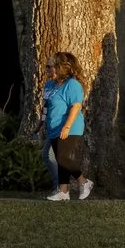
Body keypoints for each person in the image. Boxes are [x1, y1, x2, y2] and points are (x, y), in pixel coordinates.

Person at [41, 50, 90, 201]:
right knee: (53, 156)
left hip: (70, 127)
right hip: (54, 127)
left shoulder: (72, 84)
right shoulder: (49, 84)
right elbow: (46, 106)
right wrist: (41, 123)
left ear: (61, 67)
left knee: (62, 157)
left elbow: (76, 106)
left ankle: (84, 181)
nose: (47, 70)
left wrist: (67, 126)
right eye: (47, 67)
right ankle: (63, 191)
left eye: (51, 66)